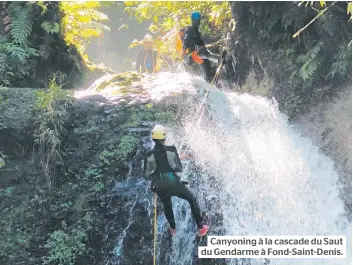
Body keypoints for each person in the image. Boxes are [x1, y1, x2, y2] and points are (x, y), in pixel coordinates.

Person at [143, 124, 210, 237]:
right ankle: (201, 227)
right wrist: (175, 161)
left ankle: (173, 228)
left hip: (160, 186)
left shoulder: (148, 155)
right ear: (164, 138)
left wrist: (155, 174)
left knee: (167, 204)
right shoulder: (172, 150)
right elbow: (179, 169)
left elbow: (145, 175)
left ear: (153, 138)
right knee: (191, 199)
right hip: (174, 183)